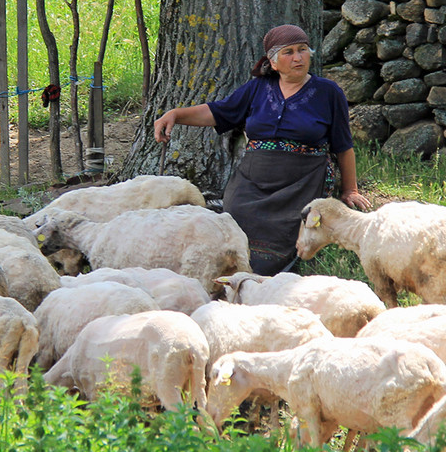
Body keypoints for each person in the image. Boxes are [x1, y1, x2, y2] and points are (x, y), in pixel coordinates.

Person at [153, 23, 371, 275]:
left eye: (303, 50)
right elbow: (217, 112)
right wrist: (175, 114)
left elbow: (344, 147)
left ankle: (264, 276)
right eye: (288, 52)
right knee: (236, 216)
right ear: (273, 62)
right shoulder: (257, 88)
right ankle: (231, 272)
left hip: (302, 181)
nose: (298, 57)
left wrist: (350, 189)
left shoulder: (328, 93)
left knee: (292, 225)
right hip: (253, 178)